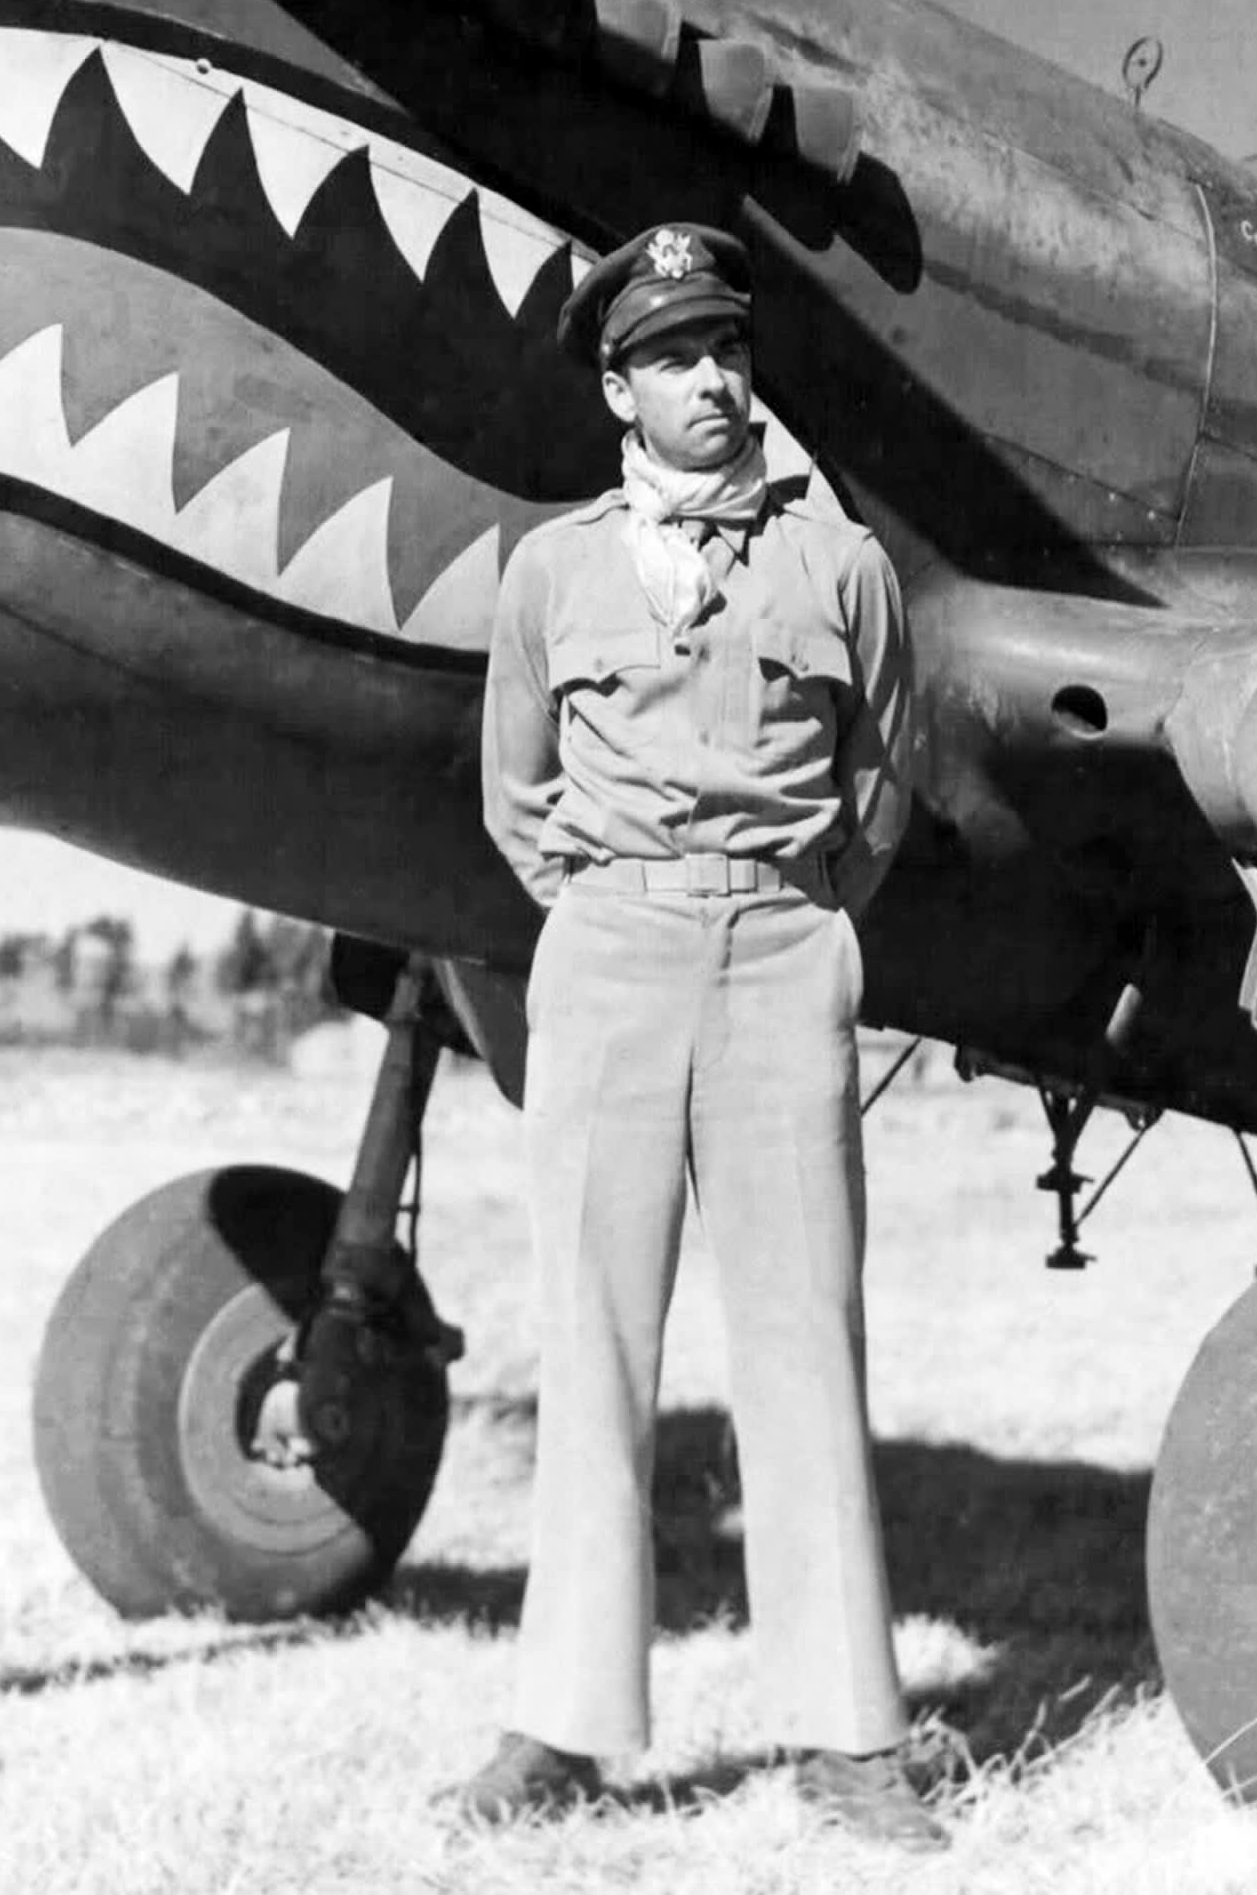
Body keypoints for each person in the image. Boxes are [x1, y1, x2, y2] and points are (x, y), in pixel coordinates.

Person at [448, 220, 936, 1846]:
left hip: (786, 951)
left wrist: (786, 913)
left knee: (803, 1338)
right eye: (674, 357)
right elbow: (519, 797)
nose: (713, 379)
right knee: (593, 1341)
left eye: (726, 348)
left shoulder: (840, 566)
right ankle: (566, 1728)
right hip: (608, 956)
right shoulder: (552, 572)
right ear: (618, 390)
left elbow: (879, 792)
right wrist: (614, 906)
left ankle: (851, 1736)